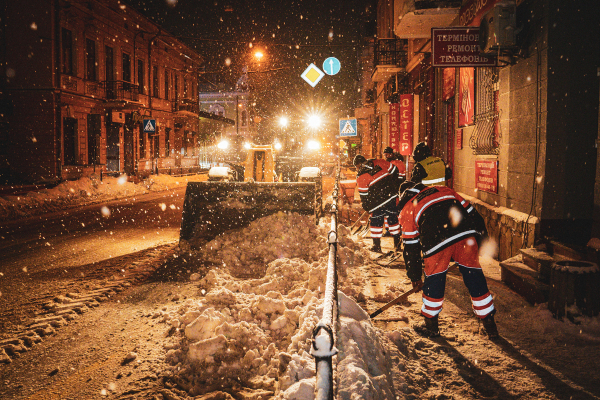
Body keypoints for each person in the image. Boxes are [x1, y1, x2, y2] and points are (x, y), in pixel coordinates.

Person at [397, 180, 498, 339]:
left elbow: (411, 248)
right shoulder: (443, 189)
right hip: (465, 234)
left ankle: (431, 326)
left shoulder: (407, 209)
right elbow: (473, 213)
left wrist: (415, 277)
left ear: (404, 196)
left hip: (436, 240)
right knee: (474, 277)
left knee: (435, 279)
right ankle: (490, 324)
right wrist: (482, 240)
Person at [353, 154, 402, 253]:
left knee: (376, 224)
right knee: (393, 220)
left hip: (376, 203)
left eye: (356, 167)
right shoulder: (380, 162)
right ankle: (397, 244)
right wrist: (392, 184)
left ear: (358, 165)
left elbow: (364, 194)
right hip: (391, 197)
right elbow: (395, 170)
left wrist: (366, 206)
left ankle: (376, 246)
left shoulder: (361, 176)